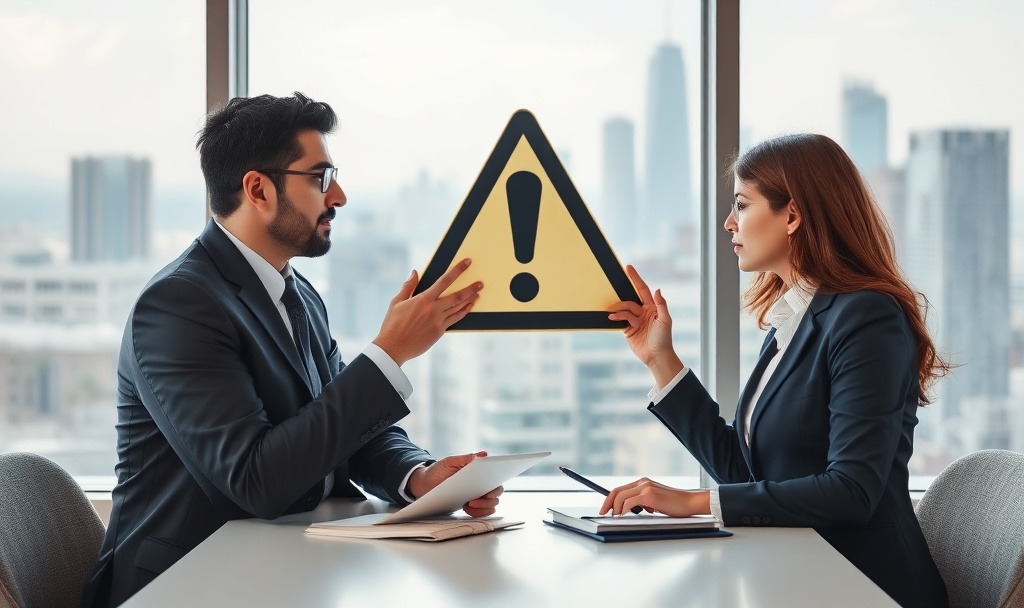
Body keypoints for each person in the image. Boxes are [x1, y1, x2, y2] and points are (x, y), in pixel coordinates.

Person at [82, 92, 496, 607]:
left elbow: (344, 434)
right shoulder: (177, 307)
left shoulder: (297, 295)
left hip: (279, 572)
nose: (339, 195)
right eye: (320, 177)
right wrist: (389, 352)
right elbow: (256, 480)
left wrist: (419, 476)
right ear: (257, 189)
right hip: (185, 586)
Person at [601, 133, 950, 608]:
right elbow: (745, 472)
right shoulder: (793, 321)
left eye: (742, 205)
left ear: (792, 214)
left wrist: (690, 502)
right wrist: (660, 359)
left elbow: (852, 490)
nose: (729, 222)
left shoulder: (868, 317)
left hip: (864, 586)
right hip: (795, 575)